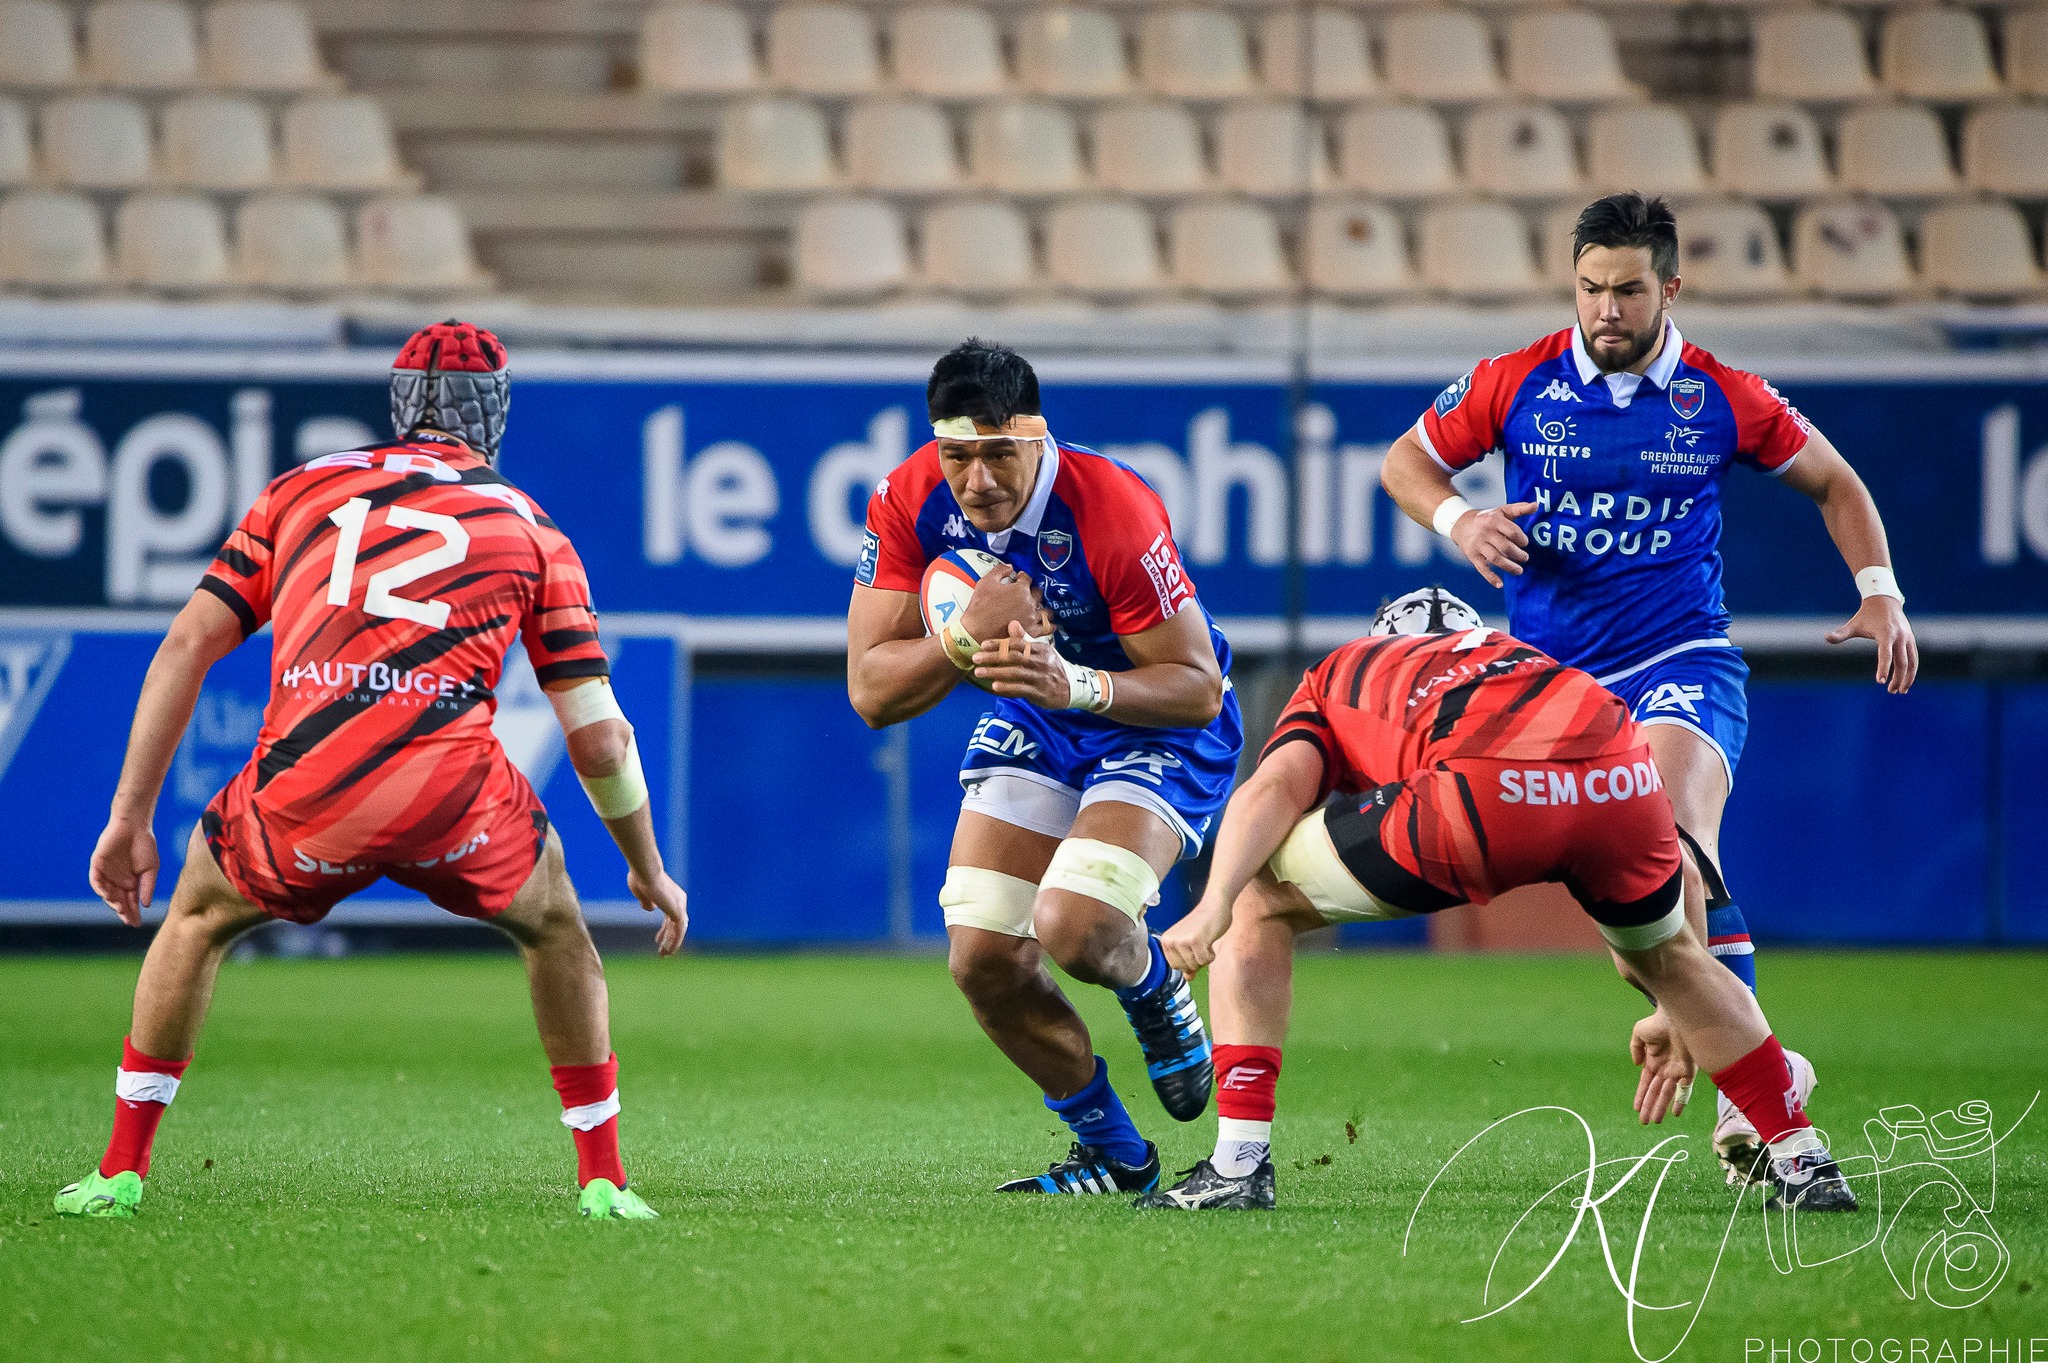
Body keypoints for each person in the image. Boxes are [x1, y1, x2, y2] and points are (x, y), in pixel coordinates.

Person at [57, 321, 688, 1222]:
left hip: (304, 796)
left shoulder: (298, 491)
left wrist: (130, 818)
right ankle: (603, 1180)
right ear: (496, 412)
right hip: (452, 801)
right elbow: (603, 741)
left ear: (400, 403)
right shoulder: (531, 528)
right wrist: (646, 865)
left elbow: (187, 645)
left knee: (195, 917)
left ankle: (120, 1171)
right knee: (556, 927)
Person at [1379, 193, 1918, 1183]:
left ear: (1669, 287)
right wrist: (1460, 520)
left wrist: (1878, 591)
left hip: (1682, 661)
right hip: (1557, 691)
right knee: (1637, 929)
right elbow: (1406, 460)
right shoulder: (1514, 381)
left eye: (1627, 289)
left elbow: (1835, 480)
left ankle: (1750, 1105)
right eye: (1589, 288)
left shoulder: (1722, 395)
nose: (1605, 309)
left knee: (1673, 838)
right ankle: (1750, 1055)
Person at [1143, 587, 1857, 1214]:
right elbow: (1686, 878)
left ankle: (1238, 1163)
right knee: (1672, 957)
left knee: (1260, 897)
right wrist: (1672, 1006)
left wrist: (1216, 901)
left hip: (1484, 790)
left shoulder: (1345, 670)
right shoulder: (1521, 657)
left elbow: (1271, 790)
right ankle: (1803, 1158)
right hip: (1618, 770)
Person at [847, 340, 1243, 1195]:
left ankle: (1153, 981)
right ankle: (1115, 1155)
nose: (978, 479)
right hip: (1038, 715)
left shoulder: (1111, 507)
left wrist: (1078, 683)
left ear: (1037, 436)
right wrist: (965, 635)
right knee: (982, 955)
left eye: (999, 452)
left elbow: (1198, 687)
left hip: (1145, 718)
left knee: (1076, 924)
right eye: (958, 455)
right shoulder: (906, 496)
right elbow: (871, 690)